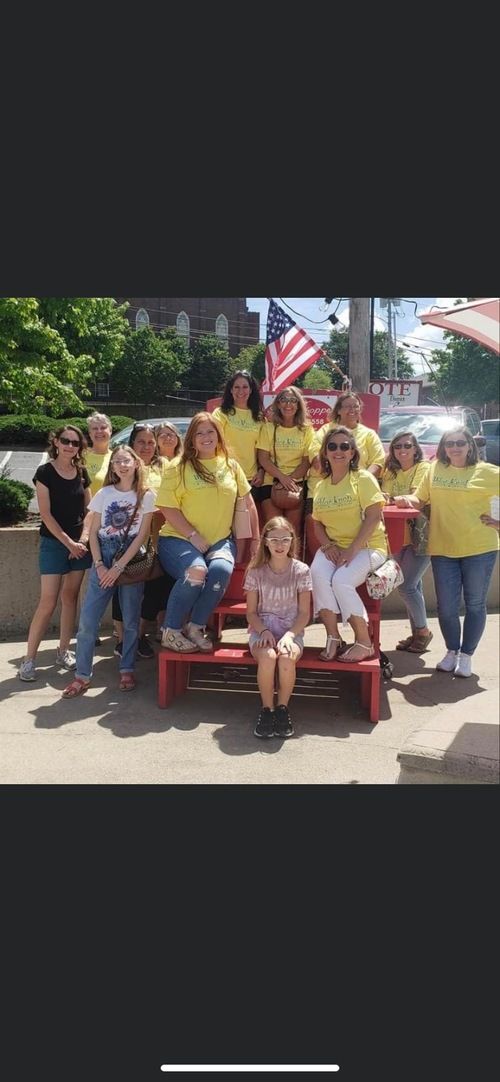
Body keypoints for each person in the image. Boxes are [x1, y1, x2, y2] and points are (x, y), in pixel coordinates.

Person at [394, 426, 499, 678]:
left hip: (479, 548)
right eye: (450, 443)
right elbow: (420, 499)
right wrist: (402, 500)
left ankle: (467, 655)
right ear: (443, 447)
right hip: (442, 549)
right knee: (447, 608)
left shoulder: (488, 471)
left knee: (474, 604)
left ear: (469, 446)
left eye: (460, 443)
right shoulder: (434, 469)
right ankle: (452, 651)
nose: (455, 447)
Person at [156, 412, 258, 653]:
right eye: (199, 433)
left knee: (221, 570)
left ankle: (195, 627)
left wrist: (255, 539)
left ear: (219, 436)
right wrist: (193, 535)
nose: (205, 437)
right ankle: (170, 631)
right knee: (197, 570)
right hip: (178, 539)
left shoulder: (231, 466)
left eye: (210, 431)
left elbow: (249, 503)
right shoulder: (177, 467)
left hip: (220, 541)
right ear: (191, 439)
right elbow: (167, 506)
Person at [62, 446, 155, 697]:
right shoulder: (104, 493)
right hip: (103, 555)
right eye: (117, 462)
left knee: (131, 620)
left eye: (127, 460)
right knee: (88, 621)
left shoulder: (146, 495)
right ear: (112, 467)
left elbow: (142, 535)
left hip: (131, 558)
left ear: (136, 464)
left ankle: (127, 668)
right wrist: (101, 564)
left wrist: (119, 566)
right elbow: (92, 531)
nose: (122, 465)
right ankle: (82, 675)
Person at [18, 426, 92, 681]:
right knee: (48, 601)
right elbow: (46, 515)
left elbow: (90, 511)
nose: (70, 446)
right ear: (56, 442)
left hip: (80, 546)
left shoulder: (81, 472)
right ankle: (29, 660)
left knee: (70, 598)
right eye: (65, 441)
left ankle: (63, 650)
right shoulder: (44, 473)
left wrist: (81, 541)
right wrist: (68, 543)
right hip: (54, 544)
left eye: (75, 443)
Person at [310, 426, 387, 662]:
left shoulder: (363, 478)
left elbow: (374, 516)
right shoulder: (321, 485)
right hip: (335, 547)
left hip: (368, 547)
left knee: (341, 580)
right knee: (317, 573)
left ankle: (364, 642)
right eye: (332, 446)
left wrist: (352, 550)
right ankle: (333, 637)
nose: (338, 451)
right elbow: (317, 524)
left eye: (345, 446)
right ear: (325, 452)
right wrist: (328, 546)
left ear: (353, 453)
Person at [244, 517, 312, 739]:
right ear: (265, 542)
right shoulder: (256, 570)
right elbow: (251, 612)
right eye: (274, 539)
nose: (280, 545)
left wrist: (290, 636)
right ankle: (267, 709)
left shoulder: (301, 570)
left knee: (285, 657)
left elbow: (304, 613)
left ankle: (282, 708)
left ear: (292, 541)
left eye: (285, 539)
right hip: (262, 630)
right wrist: (263, 631)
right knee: (268, 657)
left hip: (290, 631)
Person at [112, 423, 174, 659]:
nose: (147, 446)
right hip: (126, 541)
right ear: (132, 444)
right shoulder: (125, 466)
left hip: (157, 540)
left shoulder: (164, 466)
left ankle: (137, 635)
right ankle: (122, 640)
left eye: (150, 442)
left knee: (157, 588)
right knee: (125, 586)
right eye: (141, 442)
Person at [306, 391, 386, 559]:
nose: (352, 410)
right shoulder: (325, 430)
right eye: (347, 406)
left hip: (358, 495)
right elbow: (316, 456)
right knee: (316, 535)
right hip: (321, 492)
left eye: (355, 406)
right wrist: (336, 480)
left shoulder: (369, 434)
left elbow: (378, 462)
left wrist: (358, 481)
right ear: (339, 410)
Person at [380, 431, 433, 653]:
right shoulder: (390, 472)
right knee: (414, 585)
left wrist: (393, 499)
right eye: (397, 446)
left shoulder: (423, 468)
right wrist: (394, 499)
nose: (402, 450)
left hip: (423, 536)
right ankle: (417, 635)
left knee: (406, 585)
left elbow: (416, 500)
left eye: (407, 446)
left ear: (415, 448)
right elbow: (385, 496)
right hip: (397, 537)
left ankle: (423, 632)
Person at [256, 385, 316, 539]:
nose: (288, 404)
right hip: (271, 482)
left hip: (297, 483)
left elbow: (306, 461)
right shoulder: (268, 428)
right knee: (274, 529)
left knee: (292, 530)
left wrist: (290, 480)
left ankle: (292, 562)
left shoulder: (307, 430)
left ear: (298, 405)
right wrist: (282, 478)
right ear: (278, 404)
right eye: (283, 400)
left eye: (293, 400)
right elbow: (263, 458)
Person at [83, 412, 113, 495]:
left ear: (110, 431)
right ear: (90, 433)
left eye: (103, 427)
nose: (99, 431)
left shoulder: (116, 457)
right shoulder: (81, 456)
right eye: (95, 428)